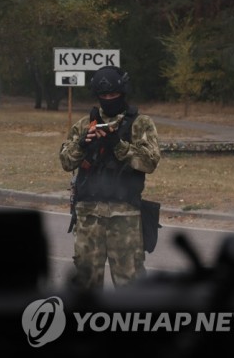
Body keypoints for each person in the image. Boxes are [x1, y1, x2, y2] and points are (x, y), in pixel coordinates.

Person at [59, 65, 161, 289]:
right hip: (88, 215)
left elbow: (149, 162)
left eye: (113, 95)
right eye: (103, 95)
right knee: (86, 282)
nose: (108, 99)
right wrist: (83, 144)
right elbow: (66, 162)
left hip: (124, 215)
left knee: (129, 282)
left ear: (123, 93)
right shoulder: (85, 125)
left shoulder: (140, 123)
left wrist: (118, 145)